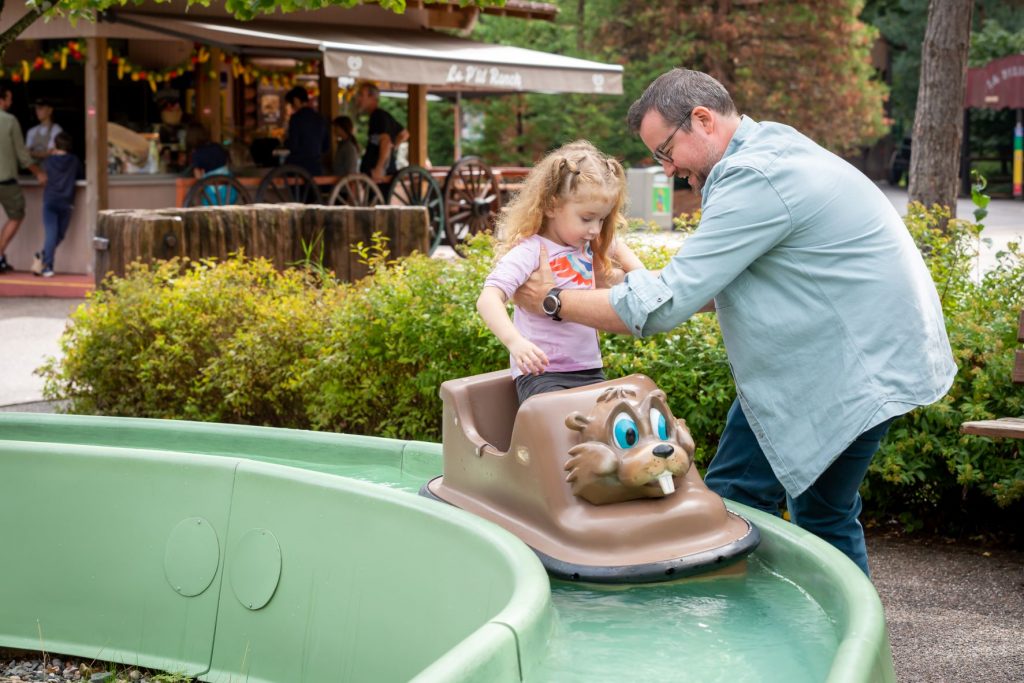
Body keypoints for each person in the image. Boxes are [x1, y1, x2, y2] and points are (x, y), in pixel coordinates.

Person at [515, 69, 957, 575]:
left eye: (665, 152)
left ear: (701, 120)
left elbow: (666, 305)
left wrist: (551, 300)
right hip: (832, 363)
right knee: (760, 500)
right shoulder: (772, 149)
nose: (667, 171)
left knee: (779, 509)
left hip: (844, 371)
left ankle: (807, 639)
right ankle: (783, 630)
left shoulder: (755, 176)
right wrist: (618, 286)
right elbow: (703, 287)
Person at [477, 140, 644, 405]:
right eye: (587, 218)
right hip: (543, 373)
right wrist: (515, 343)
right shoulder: (531, 251)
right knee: (558, 425)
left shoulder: (591, 242)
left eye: (602, 219)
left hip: (589, 369)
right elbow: (488, 299)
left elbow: (637, 271)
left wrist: (627, 271)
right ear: (552, 206)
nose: (595, 229)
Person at [0, 83, 47, 273]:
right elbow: (23, 156)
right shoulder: (9, 120)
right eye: (9, 98)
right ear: (2, 99)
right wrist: (39, 173)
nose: (11, 102)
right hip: (5, 180)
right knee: (16, 215)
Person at [30, 131, 80, 277]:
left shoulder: (49, 161)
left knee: (53, 234)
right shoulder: (74, 161)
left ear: (55, 144)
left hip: (50, 200)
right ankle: (47, 265)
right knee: (58, 234)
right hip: (66, 201)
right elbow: (81, 175)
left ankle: (42, 257)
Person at [354, 82, 408, 183]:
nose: (358, 98)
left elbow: (386, 142)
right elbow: (404, 134)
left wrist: (379, 168)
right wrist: (393, 149)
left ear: (372, 97)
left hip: (378, 177)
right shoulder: (384, 116)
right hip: (383, 174)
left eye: (361, 94)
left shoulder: (378, 116)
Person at [283, 85, 329, 176]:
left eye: (292, 104)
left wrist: (285, 142)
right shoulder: (320, 118)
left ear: (296, 100)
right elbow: (326, 146)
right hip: (316, 168)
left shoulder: (296, 119)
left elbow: (293, 145)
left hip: (297, 169)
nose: (292, 107)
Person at [25, 97, 62, 163]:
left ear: (50, 110)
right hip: (35, 170)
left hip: (50, 170)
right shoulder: (31, 131)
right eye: (36, 108)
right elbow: (25, 153)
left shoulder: (56, 130)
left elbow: (50, 153)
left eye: (41, 108)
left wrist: (32, 153)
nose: (37, 111)